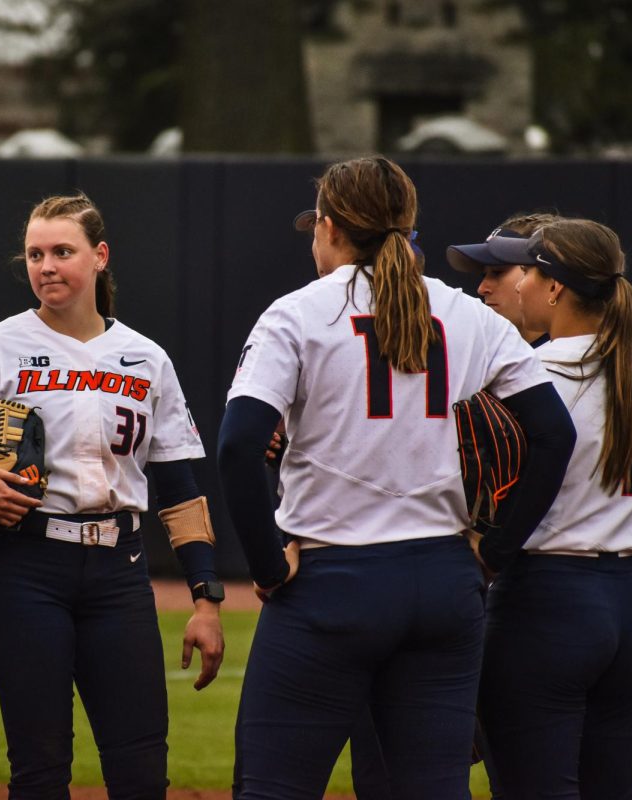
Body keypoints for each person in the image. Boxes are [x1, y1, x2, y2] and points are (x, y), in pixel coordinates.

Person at [217, 156, 575, 799]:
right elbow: (555, 435)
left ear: (329, 227)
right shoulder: (469, 314)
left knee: (273, 787)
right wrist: (494, 552)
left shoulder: (297, 313)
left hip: (333, 582)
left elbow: (239, 446)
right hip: (443, 583)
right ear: (408, 229)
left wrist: (268, 567)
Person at [0, 193, 225, 799]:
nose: (46, 266)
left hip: (120, 572)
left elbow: (179, 489)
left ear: (99, 256)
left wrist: (206, 597)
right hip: (25, 567)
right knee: (39, 768)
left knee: (141, 770)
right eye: (35, 254)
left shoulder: (146, 358)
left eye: (62, 251)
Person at [473, 219, 632, 798]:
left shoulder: (534, 379)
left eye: (529, 274)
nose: (520, 285)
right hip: (629, 604)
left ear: (555, 287)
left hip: (546, 600)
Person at [447, 212, 560, 348]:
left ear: (552, 281)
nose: (481, 289)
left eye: (497, 272)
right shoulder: (487, 353)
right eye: (484, 275)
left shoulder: (573, 356)